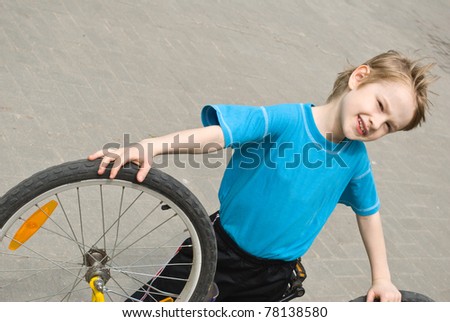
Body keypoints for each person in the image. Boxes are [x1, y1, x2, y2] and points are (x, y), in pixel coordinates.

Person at [88, 50, 435, 302]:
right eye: (379, 106)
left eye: (389, 126)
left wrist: (382, 278)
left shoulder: (355, 161)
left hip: (272, 277)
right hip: (217, 247)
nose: (377, 123)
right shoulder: (285, 121)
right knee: (156, 305)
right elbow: (216, 137)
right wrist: (151, 146)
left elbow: (369, 213)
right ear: (359, 78)